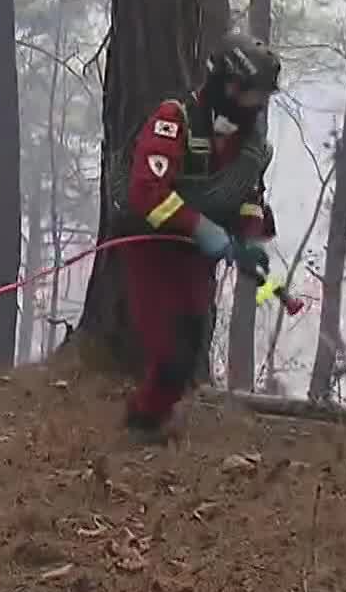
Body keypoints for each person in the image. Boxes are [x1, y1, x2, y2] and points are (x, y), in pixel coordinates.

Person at [119, 32, 281, 444]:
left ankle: (150, 418)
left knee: (192, 341)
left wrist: (249, 240)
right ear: (228, 85)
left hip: (196, 259)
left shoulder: (250, 143)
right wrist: (204, 230)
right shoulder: (174, 119)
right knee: (168, 349)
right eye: (253, 95)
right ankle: (141, 427)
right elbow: (147, 193)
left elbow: (249, 196)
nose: (259, 105)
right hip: (152, 250)